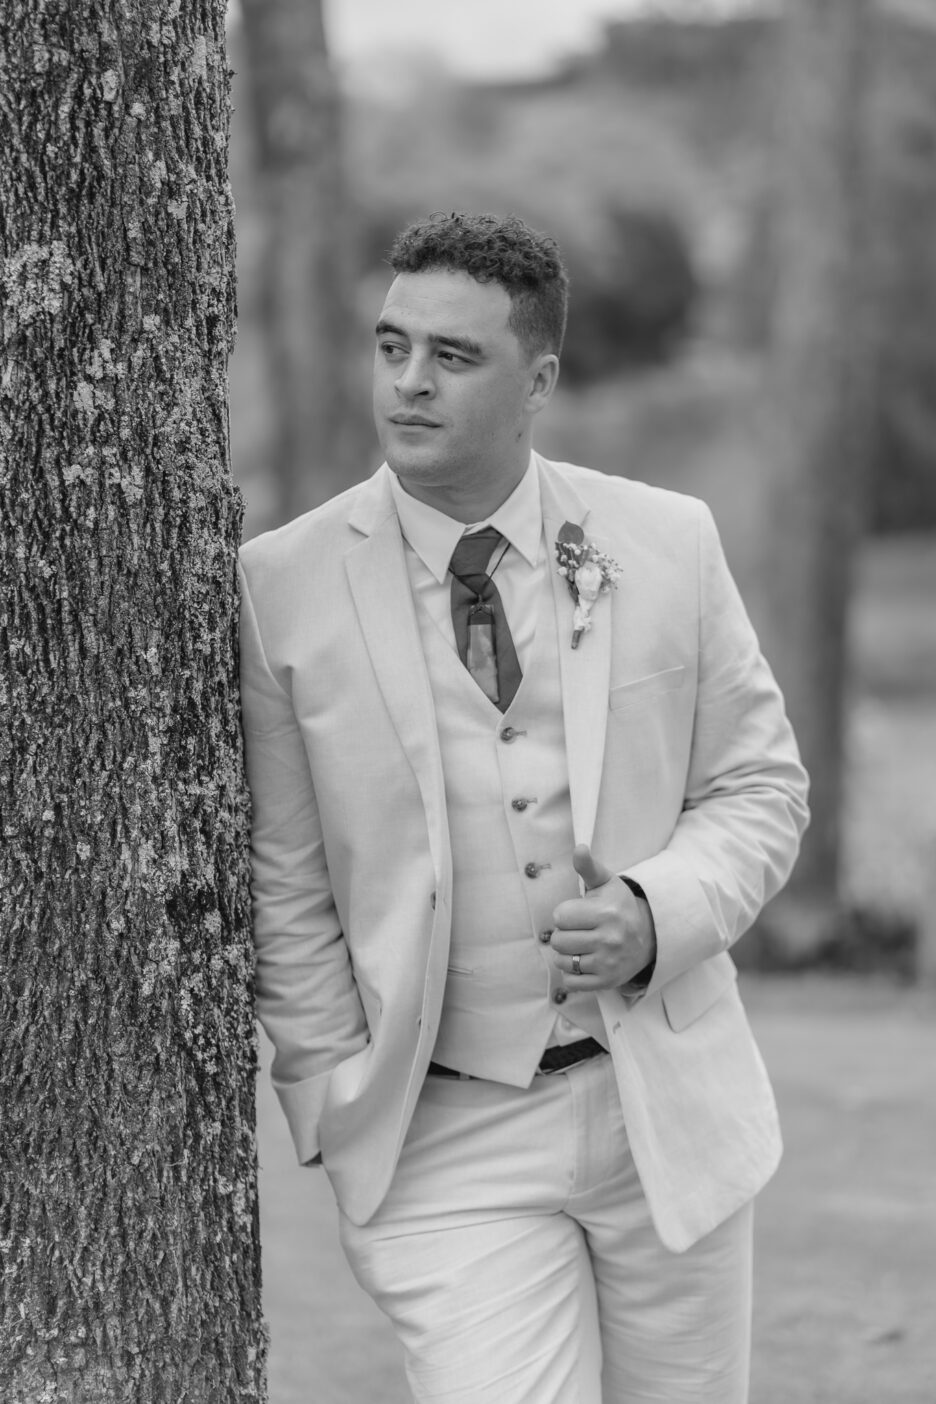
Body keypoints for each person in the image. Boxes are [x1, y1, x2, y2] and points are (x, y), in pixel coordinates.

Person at [239, 211, 809, 1403]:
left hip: (665, 1111)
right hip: (442, 1136)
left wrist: (660, 911)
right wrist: (330, 1092)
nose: (408, 382)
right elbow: (286, 877)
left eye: (454, 356)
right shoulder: (281, 585)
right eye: (392, 346)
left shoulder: (666, 541)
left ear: (538, 378)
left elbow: (760, 787)